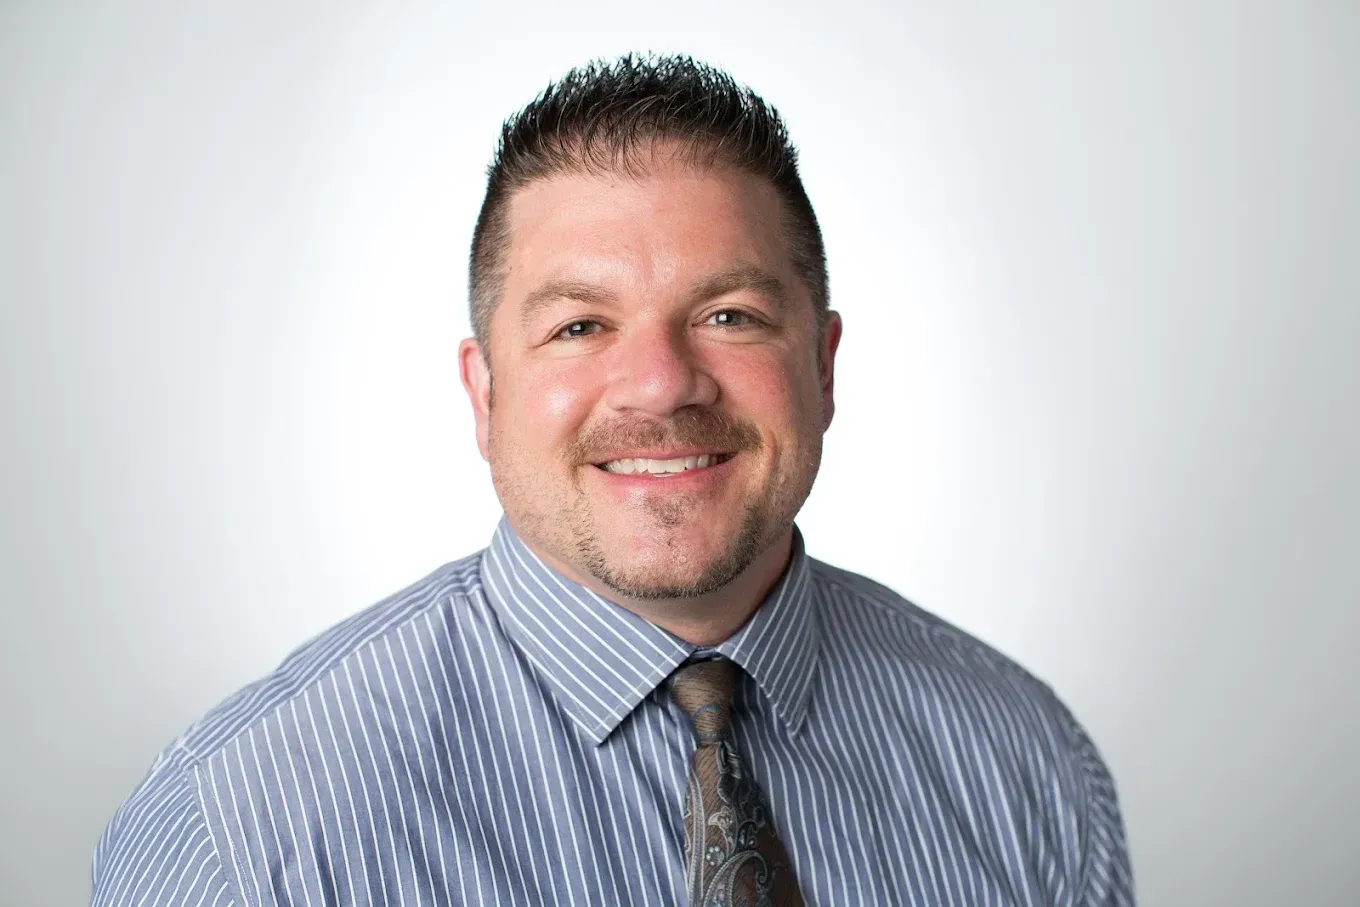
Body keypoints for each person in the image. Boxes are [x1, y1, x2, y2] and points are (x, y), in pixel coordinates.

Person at [90, 54, 1134, 906]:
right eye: (579, 326)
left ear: (820, 365)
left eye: (728, 314)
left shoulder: (1023, 760)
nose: (660, 383)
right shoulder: (240, 837)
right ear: (485, 392)